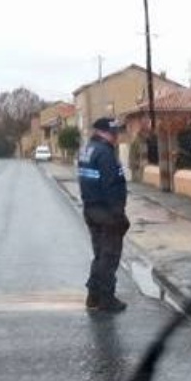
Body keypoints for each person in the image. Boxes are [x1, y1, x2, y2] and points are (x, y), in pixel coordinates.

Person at [77, 117, 130, 312]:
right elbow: (111, 186)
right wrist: (119, 215)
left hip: (91, 208)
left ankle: (93, 296)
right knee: (109, 257)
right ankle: (106, 299)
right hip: (106, 212)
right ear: (103, 132)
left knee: (100, 255)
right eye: (114, 132)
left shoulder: (87, 149)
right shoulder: (105, 153)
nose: (116, 136)